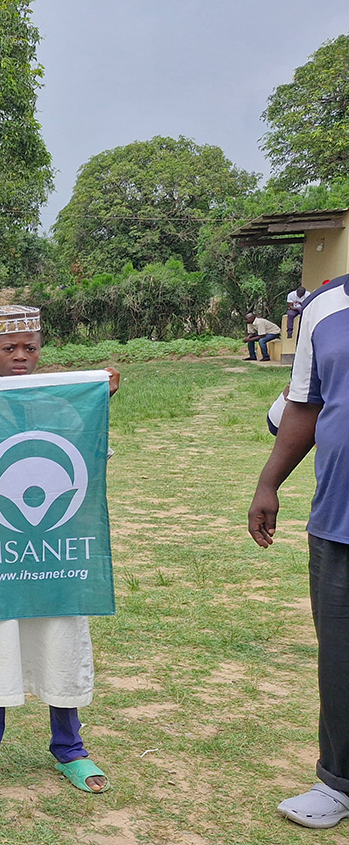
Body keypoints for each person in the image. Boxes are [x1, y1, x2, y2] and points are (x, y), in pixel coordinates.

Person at [0, 305, 119, 795]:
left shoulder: (63, 403)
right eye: (9, 348)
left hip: (57, 551)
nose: (19, 356)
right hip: (1, 551)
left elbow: (88, 461)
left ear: (41, 351)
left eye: (29, 348)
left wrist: (101, 402)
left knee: (61, 639)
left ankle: (70, 747)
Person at [250, 276, 349, 829]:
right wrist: (269, 483)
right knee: (340, 659)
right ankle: (338, 782)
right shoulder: (324, 307)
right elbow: (305, 404)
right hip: (340, 516)